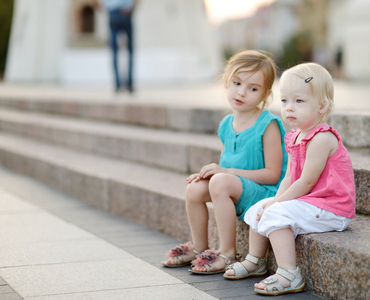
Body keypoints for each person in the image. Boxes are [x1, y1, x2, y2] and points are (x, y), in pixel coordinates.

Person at [223, 62, 356, 296]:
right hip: (311, 202)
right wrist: (273, 200)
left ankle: (289, 274)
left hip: (332, 208)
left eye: (299, 101)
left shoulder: (322, 138)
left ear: (322, 106)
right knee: (257, 208)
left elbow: (306, 182)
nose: (289, 108)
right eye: (285, 101)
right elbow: (289, 177)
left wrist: (278, 203)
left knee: (275, 211)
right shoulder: (295, 136)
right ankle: (256, 261)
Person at [162, 50, 288, 274]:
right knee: (194, 189)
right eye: (237, 83)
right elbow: (225, 169)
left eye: (253, 88)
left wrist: (225, 172)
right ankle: (199, 247)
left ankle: (228, 253)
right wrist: (209, 175)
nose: (242, 92)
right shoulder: (226, 124)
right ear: (226, 81)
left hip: (266, 193)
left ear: (265, 94)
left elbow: (273, 174)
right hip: (237, 189)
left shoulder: (268, 124)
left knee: (220, 181)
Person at [94, 0, 138, 93]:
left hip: (113, 13)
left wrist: (103, 10)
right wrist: (133, 7)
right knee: (130, 50)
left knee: (114, 51)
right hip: (126, 12)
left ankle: (117, 84)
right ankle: (129, 84)